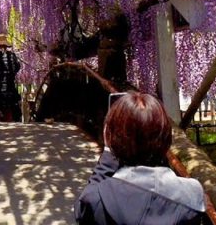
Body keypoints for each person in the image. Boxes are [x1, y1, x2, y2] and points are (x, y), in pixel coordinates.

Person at [74, 92, 205, 225]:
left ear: (110, 138)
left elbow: (83, 208)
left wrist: (108, 152)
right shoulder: (193, 195)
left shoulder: (97, 200)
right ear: (166, 138)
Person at [0, 34, 22, 122]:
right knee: (9, 116)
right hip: (10, 91)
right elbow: (17, 68)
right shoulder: (12, 56)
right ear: (6, 45)